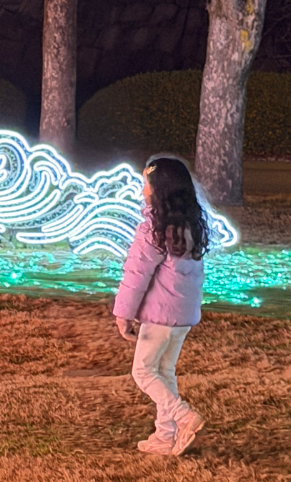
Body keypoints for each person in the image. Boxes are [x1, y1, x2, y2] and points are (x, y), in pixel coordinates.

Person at [113, 155, 209, 457]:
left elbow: (136, 274)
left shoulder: (153, 229)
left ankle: (183, 416)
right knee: (164, 372)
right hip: (182, 316)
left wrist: (123, 313)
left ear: (159, 190)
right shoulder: (189, 226)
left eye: (146, 184)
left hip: (159, 316)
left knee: (143, 372)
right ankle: (164, 437)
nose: (143, 190)